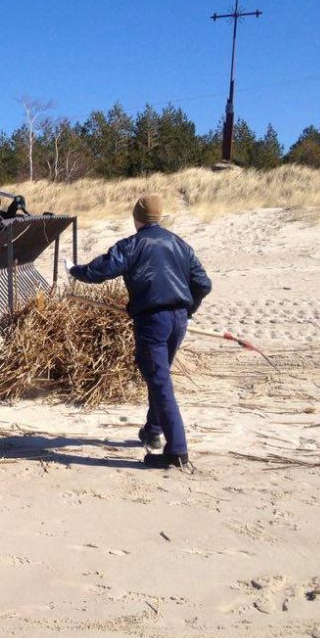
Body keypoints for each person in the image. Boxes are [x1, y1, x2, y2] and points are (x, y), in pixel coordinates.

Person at [64, 194, 212, 469]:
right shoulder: (180, 243)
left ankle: (177, 450)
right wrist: (188, 311)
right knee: (160, 377)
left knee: (160, 382)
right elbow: (203, 284)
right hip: (178, 319)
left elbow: (103, 269)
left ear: (137, 218)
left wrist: (76, 271)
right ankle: (153, 431)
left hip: (153, 320)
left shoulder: (133, 244)